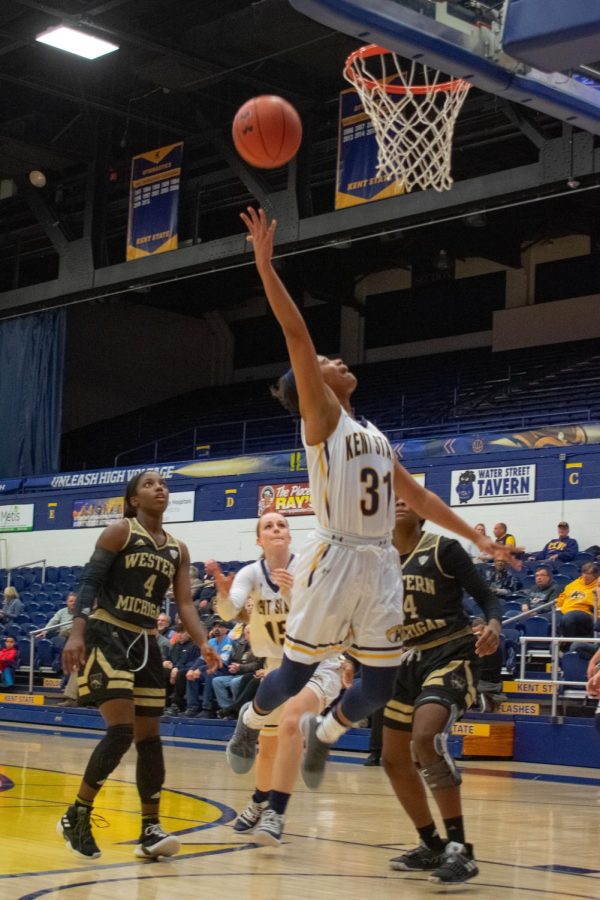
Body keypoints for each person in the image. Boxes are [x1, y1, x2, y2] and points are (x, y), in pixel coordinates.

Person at [226, 207, 519, 791]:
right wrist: (264, 265)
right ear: (311, 383)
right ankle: (247, 720)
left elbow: (420, 498)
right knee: (293, 673)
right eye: (330, 363)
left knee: (380, 687)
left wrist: (476, 535)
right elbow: (296, 336)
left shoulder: (376, 438)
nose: (339, 362)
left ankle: (326, 734)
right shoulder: (321, 418)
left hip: (380, 561)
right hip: (335, 558)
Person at [59, 470, 218, 860]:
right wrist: (77, 633)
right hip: (107, 633)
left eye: (163, 484)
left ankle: (150, 827)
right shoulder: (120, 531)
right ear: (133, 499)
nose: (159, 488)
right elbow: (89, 583)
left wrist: (203, 641)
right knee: (121, 730)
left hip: (146, 641)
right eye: (148, 484)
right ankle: (77, 813)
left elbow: (183, 604)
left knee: (150, 739)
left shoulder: (178, 549)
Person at [382, 499, 502, 884]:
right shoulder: (376, 560)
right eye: (393, 499)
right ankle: (431, 844)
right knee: (392, 759)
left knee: (426, 737)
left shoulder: (443, 548)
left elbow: (486, 596)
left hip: (450, 651)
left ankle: (461, 850)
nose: (399, 502)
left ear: (423, 512)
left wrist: (494, 624)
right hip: (403, 662)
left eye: (408, 499)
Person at [210, 510, 342, 846]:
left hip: (318, 661)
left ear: (289, 534)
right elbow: (230, 611)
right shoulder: (250, 573)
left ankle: (276, 813)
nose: (276, 528)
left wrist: (292, 595)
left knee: (292, 723)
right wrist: (224, 598)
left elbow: (322, 617)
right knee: (268, 748)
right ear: (259, 539)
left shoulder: (308, 566)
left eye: (282, 524)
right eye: (268, 526)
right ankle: (259, 801)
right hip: (277, 665)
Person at [556, 563, 599, 639]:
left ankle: (567, 644)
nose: (585, 576)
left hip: (585, 613)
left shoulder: (597, 587)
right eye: (584, 573)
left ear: (595, 575)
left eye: (589, 574)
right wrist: (557, 605)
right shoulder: (574, 584)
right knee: (544, 618)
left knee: (569, 617)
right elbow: (563, 596)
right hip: (565, 610)